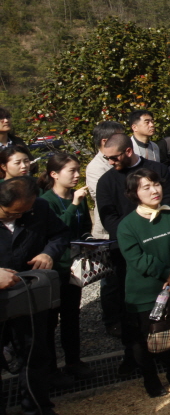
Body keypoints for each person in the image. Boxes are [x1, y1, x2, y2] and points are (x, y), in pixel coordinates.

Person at [96, 133, 170, 374]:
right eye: (106, 158)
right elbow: (108, 216)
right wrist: (132, 236)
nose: (110, 162)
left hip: (162, 246)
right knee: (130, 308)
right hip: (126, 252)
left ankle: (168, 355)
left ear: (128, 152)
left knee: (167, 304)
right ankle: (134, 355)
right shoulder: (107, 181)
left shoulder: (157, 169)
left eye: (113, 157)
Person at [116, 169, 170, 398]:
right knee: (145, 338)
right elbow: (137, 259)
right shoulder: (127, 226)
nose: (154, 190)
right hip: (145, 292)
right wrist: (166, 273)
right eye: (145, 187)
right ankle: (150, 378)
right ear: (134, 193)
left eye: (156, 184)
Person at [0, 176, 69, 415]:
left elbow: (59, 235)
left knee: (34, 355)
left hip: (28, 296)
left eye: (23, 212)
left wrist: (49, 253)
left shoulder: (38, 208)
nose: (17, 217)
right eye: (10, 213)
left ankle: (37, 408)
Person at [39, 154, 94, 388]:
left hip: (75, 266)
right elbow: (58, 229)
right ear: (54, 174)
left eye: (77, 170)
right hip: (54, 267)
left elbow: (83, 227)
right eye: (71, 171)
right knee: (50, 320)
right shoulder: (45, 201)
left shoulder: (77, 197)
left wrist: (90, 242)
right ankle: (50, 369)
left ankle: (73, 361)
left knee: (72, 316)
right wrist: (73, 205)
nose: (76, 175)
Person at [84, 121, 125, 337]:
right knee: (111, 279)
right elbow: (104, 200)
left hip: (124, 226)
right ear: (104, 141)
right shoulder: (96, 167)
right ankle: (112, 320)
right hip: (107, 232)